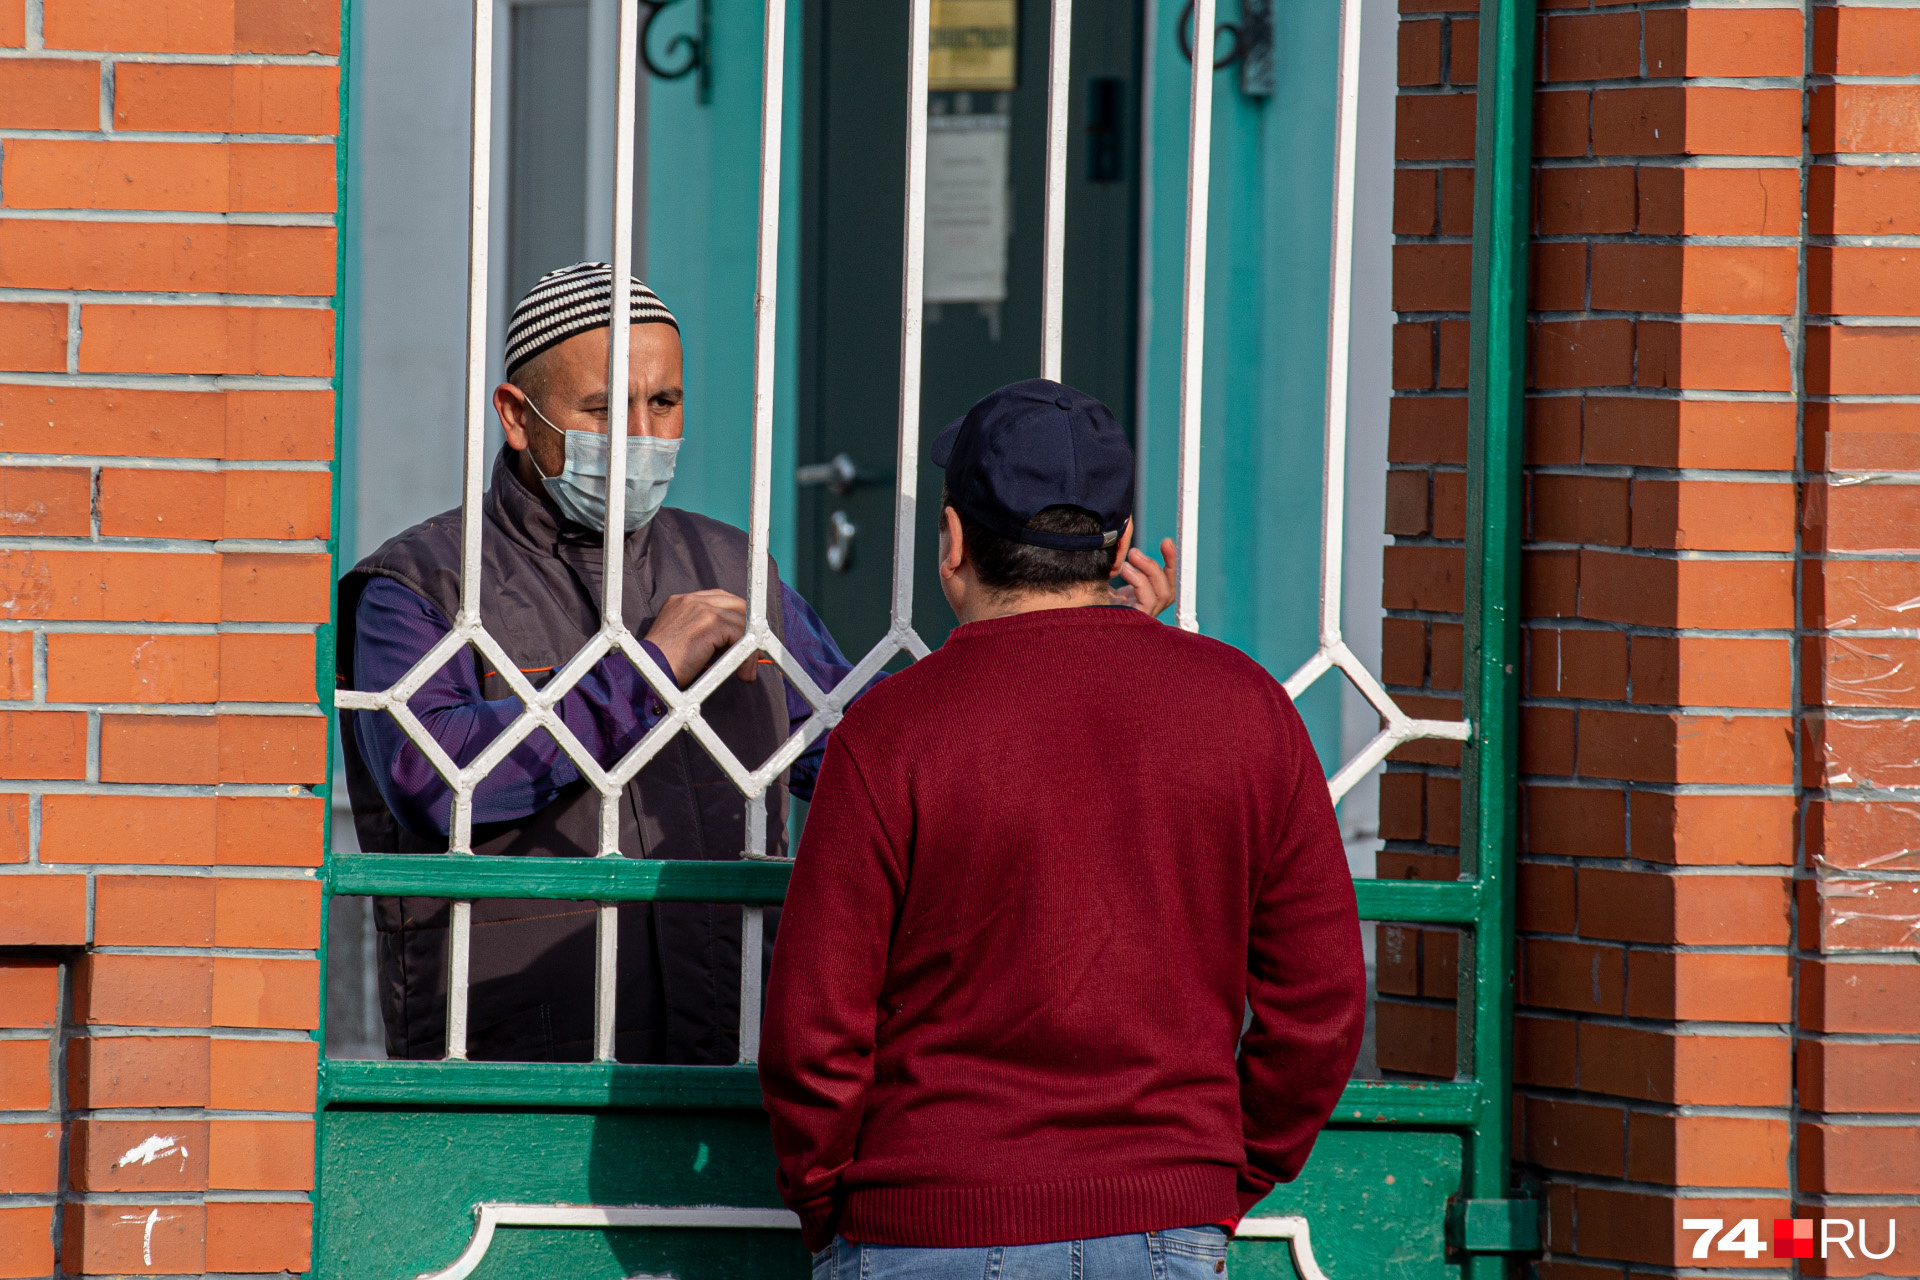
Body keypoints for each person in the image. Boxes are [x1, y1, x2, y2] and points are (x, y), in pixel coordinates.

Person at [759, 379, 1365, 1277]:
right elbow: (1320, 1001)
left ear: (952, 541)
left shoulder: (891, 732)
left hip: (924, 1222)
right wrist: (1221, 1174)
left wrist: (827, 1200)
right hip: (1163, 1218)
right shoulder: (1247, 709)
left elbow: (814, 1028)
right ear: (1120, 544)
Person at [337, 262, 871, 1064]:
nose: (643, 437)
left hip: (732, 1049)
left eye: (665, 403)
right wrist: (646, 671)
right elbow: (432, 779)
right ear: (517, 416)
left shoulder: (729, 568)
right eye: (603, 408)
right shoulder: (423, 583)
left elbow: (864, 753)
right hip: (515, 1067)